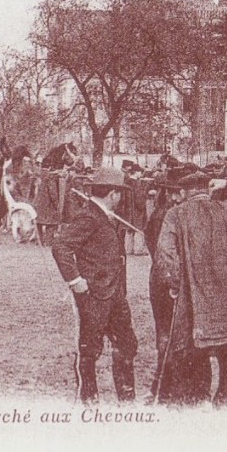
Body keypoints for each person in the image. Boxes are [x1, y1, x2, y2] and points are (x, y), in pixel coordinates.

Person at [151, 173, 227, 407]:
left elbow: (164, 256)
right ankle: (226, 420)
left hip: (198, 312)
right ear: (209, 189)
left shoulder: (176, 214)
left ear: (184, 193)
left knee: (194, 379)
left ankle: (197, 418)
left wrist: (176, 287)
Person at [51, 166, 137, 404]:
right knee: (90, 350)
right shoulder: (89, 215)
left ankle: (127, 401)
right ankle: (89, 400)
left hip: (115, 295)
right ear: (113, 194)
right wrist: (75, 280)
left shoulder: (101, 215)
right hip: (94, 296)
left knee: (127, 345)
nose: (120, 199)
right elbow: (61, 246)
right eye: (120, 194)